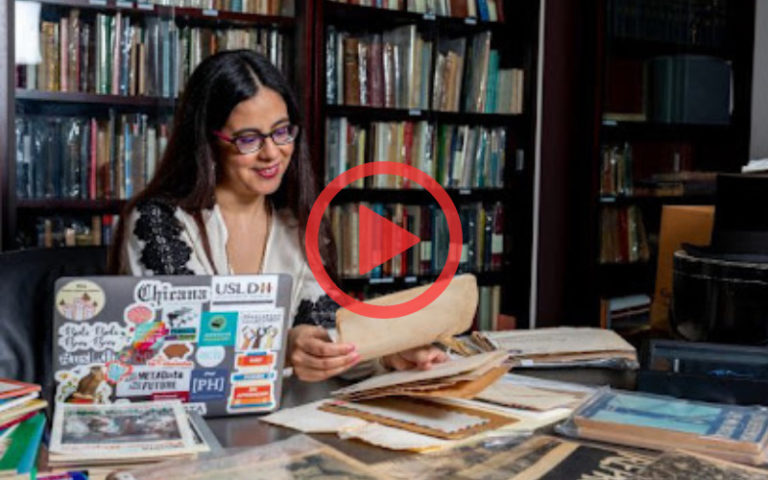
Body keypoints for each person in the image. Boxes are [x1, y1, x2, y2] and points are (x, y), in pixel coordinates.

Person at [109, 50, 447, 381]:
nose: (272, 153)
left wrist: (388, 354)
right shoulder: (157, 222)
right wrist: (279, 350)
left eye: (282, 131)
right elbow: (175, 347)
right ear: (207, 142)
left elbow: (328, 337)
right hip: (189, 423)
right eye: (248, 139)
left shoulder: (298, 224)